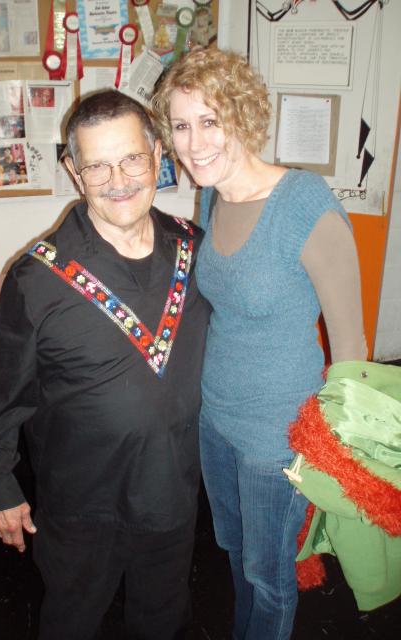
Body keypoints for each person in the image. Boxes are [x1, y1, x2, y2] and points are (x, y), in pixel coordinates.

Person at [0, 90, 210, 640]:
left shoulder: (196, 252)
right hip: (81, 505)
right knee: (72, 621)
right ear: (74, 173)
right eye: (97, 165)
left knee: (163, 620)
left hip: (171, 491)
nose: (118, 180)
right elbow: (0, 391)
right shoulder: (37, 278)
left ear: (157, 155)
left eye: (132, 159)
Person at [153, 48, 367, 640]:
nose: (194, 143)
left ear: (242, 115)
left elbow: (351, 347)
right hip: (216, 417)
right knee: (233, 551)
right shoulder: (211, 194)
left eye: (210, 120)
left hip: (279, 433)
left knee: (270, 576)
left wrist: (331, 451)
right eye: (181, 125)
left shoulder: (304, 204)